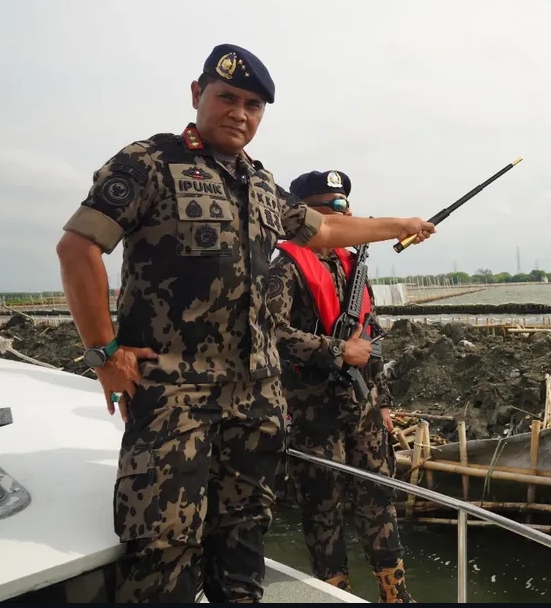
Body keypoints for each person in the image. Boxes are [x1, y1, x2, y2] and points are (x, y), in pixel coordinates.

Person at [54, 43, 435, 604]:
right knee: (164, 552)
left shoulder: (260, 183)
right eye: (227, 97)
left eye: (253, 104)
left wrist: (399, 223)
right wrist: (104, 353)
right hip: (175, 396)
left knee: (243, 544)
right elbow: (79, 246)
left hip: (255, 399)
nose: (239, 112)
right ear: (196, 95)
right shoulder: (148, 163)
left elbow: (324, 232)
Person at [267, 169, 415, 603]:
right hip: (314, 415)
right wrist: (336, 352)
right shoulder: (285, 268)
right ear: (304, 215)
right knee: (323, 514)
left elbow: (371, 342)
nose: (344, 212)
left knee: (379, 503)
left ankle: (396, 596)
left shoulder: (354, 267)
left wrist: (383, 403)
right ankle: (336, 596)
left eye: (345, 205)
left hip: (364, 411)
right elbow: (266, 332)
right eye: (332, 207)